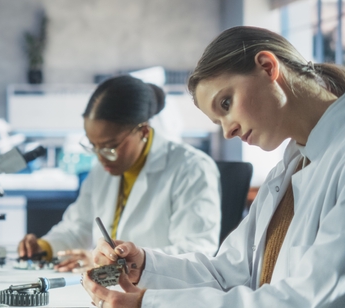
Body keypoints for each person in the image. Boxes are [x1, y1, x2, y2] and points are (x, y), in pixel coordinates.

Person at [84, 26, 345, 308]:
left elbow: (312, 305)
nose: (228, 131)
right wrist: (145, 265)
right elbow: (228, 274)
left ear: (268, 67)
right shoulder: (294, 161)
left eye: (226, 103)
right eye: (218, 119)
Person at [18, 75, 221, 270]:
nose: (100, 156)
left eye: (110, 146)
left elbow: (196, 252)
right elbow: (77, 227)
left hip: (159, 294)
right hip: (110, 289)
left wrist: (120, 263)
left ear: (143, 131)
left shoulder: (192, 169)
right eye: (93, 146)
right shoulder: (103, 169)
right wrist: (44, 247)